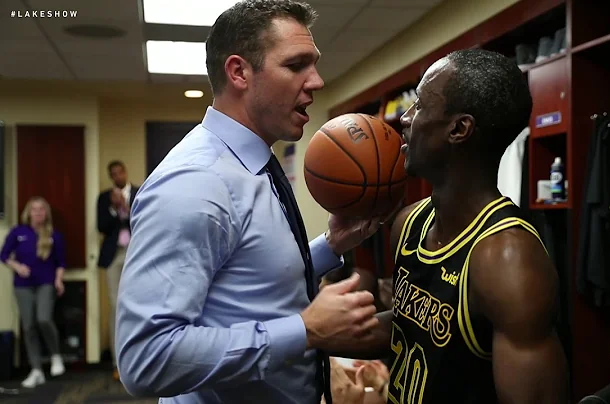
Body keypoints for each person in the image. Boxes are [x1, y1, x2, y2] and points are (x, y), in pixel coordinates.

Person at [115, 1, 385, 403]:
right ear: (239, 72)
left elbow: (249, 286)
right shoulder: (196, 183)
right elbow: (145, 359)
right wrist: (306, 330)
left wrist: (331, 246)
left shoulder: (254, 164)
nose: (317, 82)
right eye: (296, 65)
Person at [337, 49, 570, 403]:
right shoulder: (409, 223)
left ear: (459, 129)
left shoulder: (506, 260)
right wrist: (312, 332)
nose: (405, 119)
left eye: (420, 105)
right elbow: (412, 328)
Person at [1, 197, 66, 388]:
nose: (38, 213)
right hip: (23, 285)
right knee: (28, 326)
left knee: (43, 319)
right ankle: (36, 369)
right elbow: (3, 255)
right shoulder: (18, 232)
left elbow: (61, 262)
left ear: (46, 213)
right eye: (34, 210)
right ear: (28, 213)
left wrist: (59, 280)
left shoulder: (54, 235)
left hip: (46, 283)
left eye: (41, 210)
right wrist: (17, 266)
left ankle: (56, 356)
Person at [96, 159, 138, 380]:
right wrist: (113, 209)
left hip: (137, 254)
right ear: (110, 176)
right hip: (114, 255)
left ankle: (138, 358)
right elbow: (101, 226)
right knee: (116, 306)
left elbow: (146, 220)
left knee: (138, 304)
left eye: (120, 172)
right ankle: (117, 362)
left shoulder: (141, 191)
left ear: (125, 172)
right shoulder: (104, 198)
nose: (117, 176)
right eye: (113, 174)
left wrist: (125, 208)